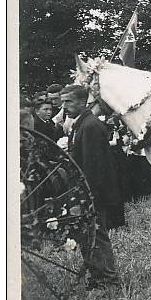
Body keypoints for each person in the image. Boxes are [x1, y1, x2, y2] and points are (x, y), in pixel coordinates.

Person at [59, 84, 122, 289]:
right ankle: (97, 277)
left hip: (93, 193)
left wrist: (88, 198)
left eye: (68, 101)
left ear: (82, 101)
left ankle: (109, 280)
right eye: (62, 101)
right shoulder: (81, 123)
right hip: (85, 192)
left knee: (97, 235)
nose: (64, 106)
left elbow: (94, 167)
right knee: (88, 236)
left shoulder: (90, 126)